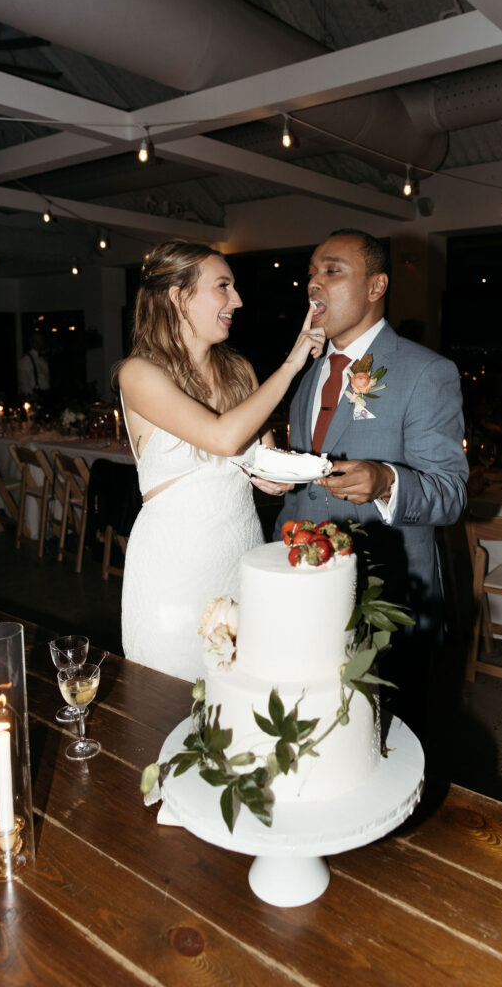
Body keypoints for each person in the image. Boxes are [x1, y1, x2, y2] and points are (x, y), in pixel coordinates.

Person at [272, 229, 468, 740]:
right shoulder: (307, 372)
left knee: (386, 742)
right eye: (311, 273)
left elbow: (450, 493)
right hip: (302, 584)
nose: (315, 284)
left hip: (386, 592)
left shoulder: (427, 372)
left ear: (377, 285)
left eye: (332, 271)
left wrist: (386, 481)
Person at [115, 240, 325, 680]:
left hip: (240, 553)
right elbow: (223, 438)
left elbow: (260, 455)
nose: (238, 300)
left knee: (241, 693)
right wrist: (291, 363)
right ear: (179, 297)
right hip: (173, 568)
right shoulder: (138, 374)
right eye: (223, 287)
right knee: (168, 701)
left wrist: (273, 475)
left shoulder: (239, 372)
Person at [18, 331, 51, 401]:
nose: (39, 343)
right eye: (36, 341)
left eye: (41, 340)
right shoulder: (26, 359)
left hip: (46, 394)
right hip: (35, 395)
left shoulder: (43, 358)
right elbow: (24, 380)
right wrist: (30, 397)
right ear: (32, 342)